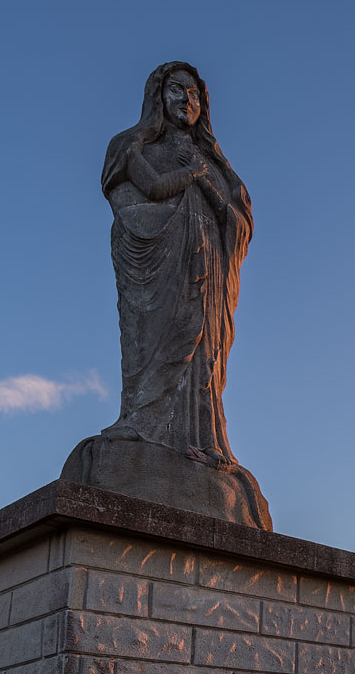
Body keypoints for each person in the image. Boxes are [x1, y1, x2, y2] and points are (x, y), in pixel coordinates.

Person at [98, 62, 254, 464]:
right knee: (154, 338)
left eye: (195, 94)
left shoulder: (217, 167)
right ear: (157, 97)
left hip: (210, 272)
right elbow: (133, 197)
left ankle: (205, 439)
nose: (186, 100)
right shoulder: (137, 147)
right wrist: (188, 179)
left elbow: (238, 222)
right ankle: (141, 421)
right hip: (161, 269)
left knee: (204, 350)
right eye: (176, 90)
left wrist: (208, 186)